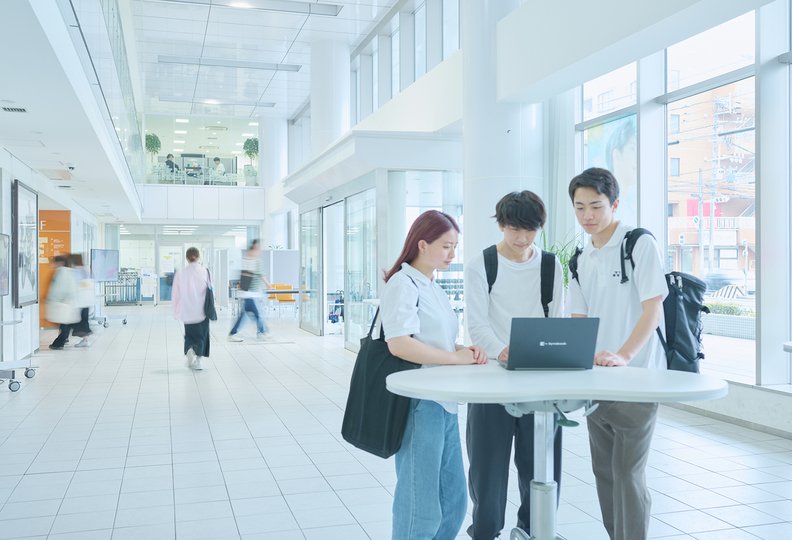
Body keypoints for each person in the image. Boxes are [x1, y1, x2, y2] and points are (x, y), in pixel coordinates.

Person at [568, 168, 667, 540]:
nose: (587, 215)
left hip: (638, 380)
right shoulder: (579, 259)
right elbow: (579, 321)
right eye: (579, 208)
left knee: (627, 473)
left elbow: (653, 309)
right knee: (605, 473)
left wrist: (624, 356)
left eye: (596, 206)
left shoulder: (638, 244)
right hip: (598, 382)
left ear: (615, 204)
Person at [379, 210, 488, 540]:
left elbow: (434, 339)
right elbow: (400, 345)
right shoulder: (402, 283)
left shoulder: (431, 286)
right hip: (420, 404)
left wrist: (464, 350)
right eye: (446, 246)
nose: (453, 254)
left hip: (445, 404)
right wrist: (455, 360)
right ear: (422, 245)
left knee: (452, 501)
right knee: (420, 506)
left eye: (455, 246)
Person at [464, 191, 565, 539]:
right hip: (492, 379)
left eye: (531, 230)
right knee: (487, 469)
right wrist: (503, 350)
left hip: (539, 381)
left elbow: (558, 321)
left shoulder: (551, 265)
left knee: (541, 466)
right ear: (501, 225)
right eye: (514, 230)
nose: (522, 239)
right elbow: (476, 325)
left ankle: (534, 530)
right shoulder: (482, 264)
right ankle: (486, 532)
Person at [172, 247, 213, 370]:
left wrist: (175, 310)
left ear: (186, 258)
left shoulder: (180, 273)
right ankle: (198, 361)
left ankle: (190, 349)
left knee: (189, 334)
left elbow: (175, 294)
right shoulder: (206, 271)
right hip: (202, 310)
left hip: (187, 310)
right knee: (202, 336)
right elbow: (212, 290)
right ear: (198, 257)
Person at [228, 240, 271, 342]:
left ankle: (261, 332)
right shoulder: (252, 259)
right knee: (253, 314)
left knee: (252, 313)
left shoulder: (248, 258)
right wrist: (267, 283)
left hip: (251, 292)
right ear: (255, 247)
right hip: (249, 292)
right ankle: (261, 332)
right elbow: (258, 274)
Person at [47, 255, 79, 350]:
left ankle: (59, 343)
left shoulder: (61, 271)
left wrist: (51, 297)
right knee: (65, 323)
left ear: (60, 262)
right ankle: (62, 340)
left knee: (65, 324)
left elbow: (58, 287)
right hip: (69, 301)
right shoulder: (70, 271)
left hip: (63, 301)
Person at [68, 254, 93, 348]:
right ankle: (85, 340)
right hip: (86, 300)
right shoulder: (85, 269)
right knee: (83, 321)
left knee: (79, 322)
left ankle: (85, 340)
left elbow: (74, 285)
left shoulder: (76, 271)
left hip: (79, 301)